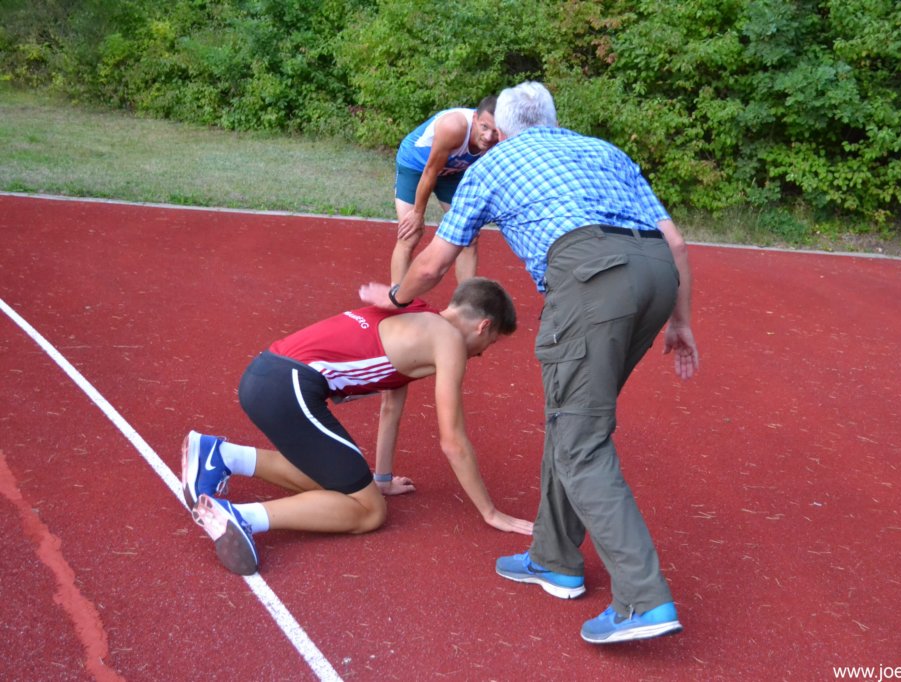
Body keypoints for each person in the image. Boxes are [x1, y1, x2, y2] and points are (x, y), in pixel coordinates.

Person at [360, 82, 699, 644]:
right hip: (657, 277)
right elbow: (678, 245)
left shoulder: (492, 165)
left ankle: (644, 600)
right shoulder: (604, 150)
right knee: (572, 421)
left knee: (581, 440)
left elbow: (435, 263)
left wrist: (394, 298)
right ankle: (555, 558)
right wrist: (681, 322)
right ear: (554, 119)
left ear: (501, 128)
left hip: (592, 281)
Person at [181, 277, 533, 576]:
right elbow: (453, 442)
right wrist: (491, 513)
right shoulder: (449, 341)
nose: (482, 353)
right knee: (369, 511)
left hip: (266, 374)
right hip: (290, 386)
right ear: (483, 326)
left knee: (347, 488)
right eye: (491, 343)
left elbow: (390, 407)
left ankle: (222, 455)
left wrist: (382, 479)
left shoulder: (414, 313)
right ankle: (242, 517)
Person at [392, 96, 499, 286]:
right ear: (475, 118)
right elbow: (430, 171)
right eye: (484, 127)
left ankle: (467, 300)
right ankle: (396, 296)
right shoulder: (454, 126)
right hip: (417, 166)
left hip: (452, 171)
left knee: (468, 236)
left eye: (495, 131)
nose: (489, 137)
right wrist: (417, 213)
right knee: (410, 233)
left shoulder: (505, 136)